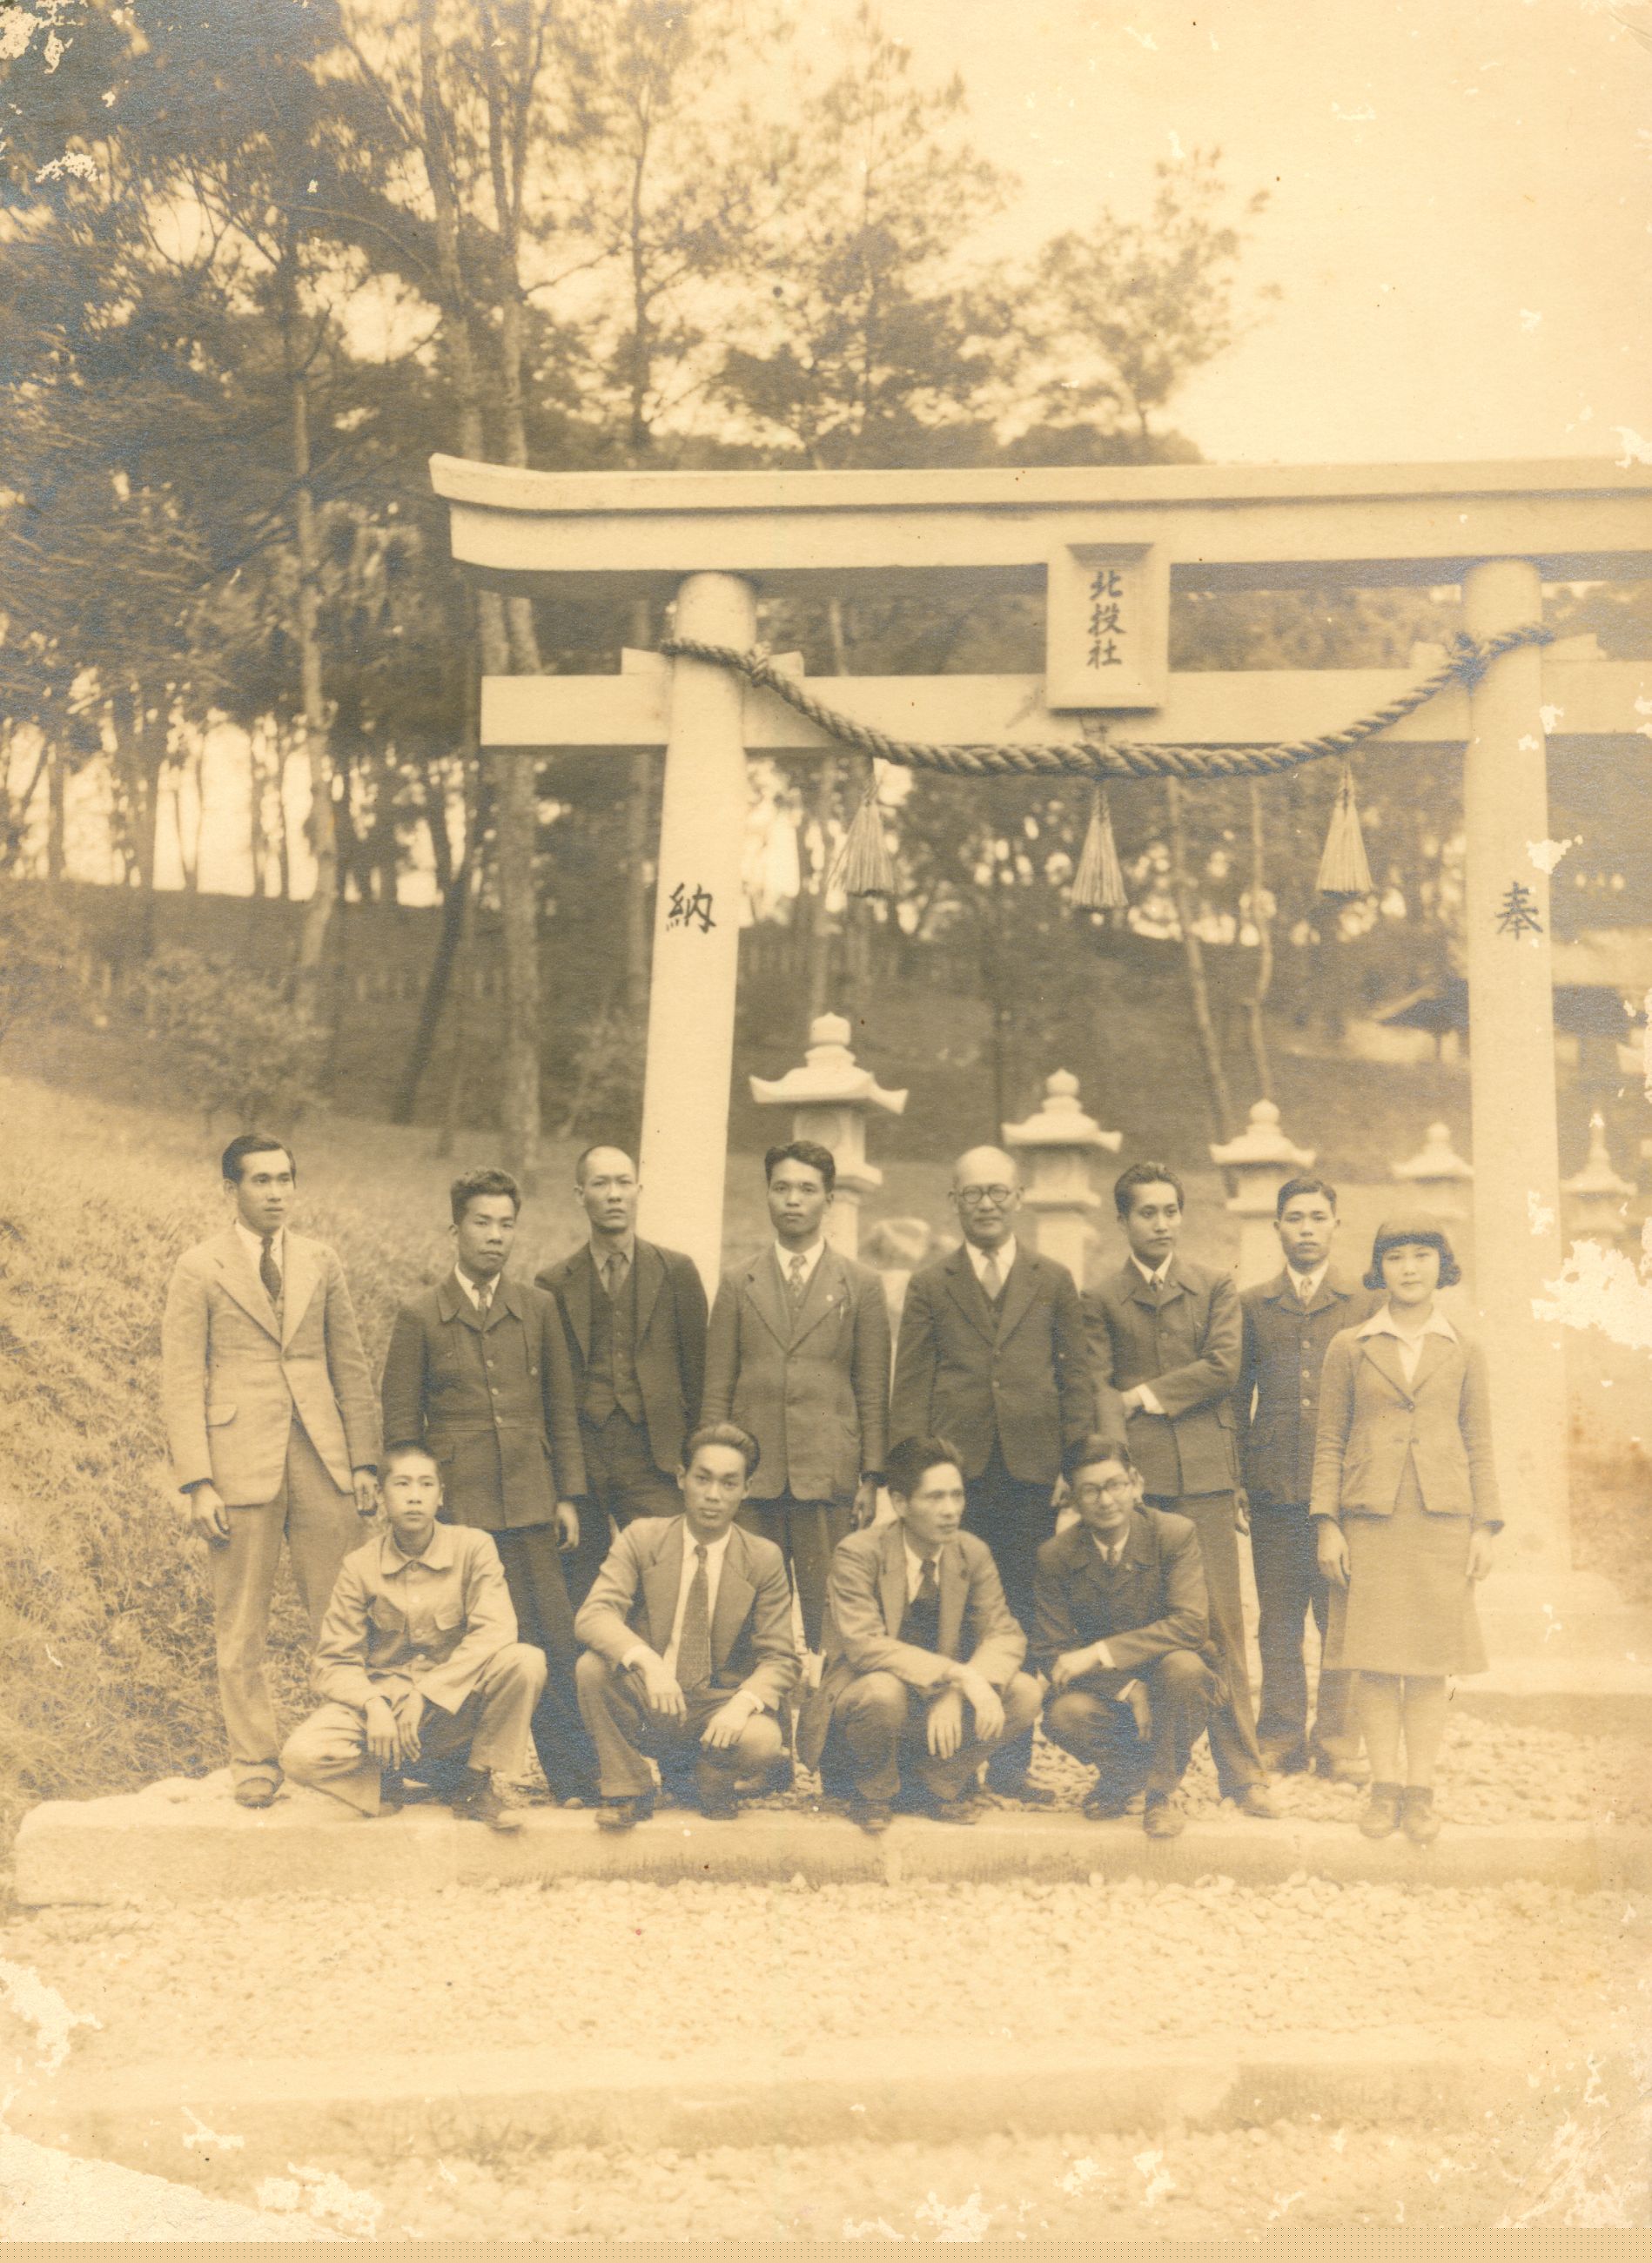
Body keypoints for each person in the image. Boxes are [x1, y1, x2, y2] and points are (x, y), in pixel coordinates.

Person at [161, 1133, 379, 1809]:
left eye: (285, 1179)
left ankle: (348, 1755)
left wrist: (365, 1460)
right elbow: (179, 1376)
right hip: (237, 1464)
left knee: (343, 1616)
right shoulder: (199, 1267)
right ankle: (254, 1760)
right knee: (241, 1623)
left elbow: (350, 1362)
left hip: (322, 1455)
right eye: (260, 1181)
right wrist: (198, 1480)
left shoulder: (321, 1260)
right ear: (231, 1189)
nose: (276, 1192)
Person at [379, 1168, 597, 1806]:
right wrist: (415, 1513)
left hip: (529, 1503)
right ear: (455, 1229)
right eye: (482, 1222)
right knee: (465, 1643)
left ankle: (578, 1778)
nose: (495, 1236)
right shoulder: (420, 1315)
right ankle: (462, 1773)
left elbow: (561, 1407)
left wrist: (565, 1495)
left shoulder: (538, 1308)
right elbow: (400, 1425)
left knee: (551, 1638)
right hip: (463, 1511)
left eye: (507, 1224)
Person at [890, 1145, 1094, 1803]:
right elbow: (912, 1383)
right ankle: (945, 1758)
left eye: (998, 1192)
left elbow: (1076, 1379)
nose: (986, 1203)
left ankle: (1009, 1763)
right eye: (972, 1192)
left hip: (1031, 1470)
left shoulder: (1053, 1278)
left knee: (1021, 1610)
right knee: (949, 1607)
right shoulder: (930, 1283)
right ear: (954, 1201)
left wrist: (1073, 1462)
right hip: (958, 1474)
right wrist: (917, 1474)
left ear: (1018, 1198)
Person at [1084, 1163, 1275, 1818]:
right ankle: (1145, 1773)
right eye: (1146, 1212)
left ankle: (1242, 1772)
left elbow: (1223, 1368)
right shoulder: (1103, 1298)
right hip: (1142, 1482)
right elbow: (1097, 1389)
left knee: (1221, 1626)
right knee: (1143, 1629)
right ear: (1123, 1221)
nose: (1161, 1223)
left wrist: (1146, 1395)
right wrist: (1116, 1471)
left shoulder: (1216, 1285)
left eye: (1171, 1211)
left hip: (1204, 1481)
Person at [1311, 1216, 1501, 1846]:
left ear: (1442, 1266)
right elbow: (1330, 1441)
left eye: (1423, 1256)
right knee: (1371, 1661)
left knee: (1426, 1665)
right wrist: (1329, 1524)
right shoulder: (1351, 1346)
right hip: (1370, 1519)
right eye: (1396, 1257)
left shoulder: (1464, 1348)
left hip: (1442, 1522)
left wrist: (1485, 1528)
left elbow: (1479, 1443)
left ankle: (1420, 1791)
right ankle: (1383, 1787)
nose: (1410, 1269)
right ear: (1379, 1268)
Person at [280, 1442, 544, 1830]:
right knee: (300, 1755)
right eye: (402, 1484)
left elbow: (496, 1630)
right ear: (382, 1496)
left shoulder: (474, 1548)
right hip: (385, 1712)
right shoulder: (359, 1567)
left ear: (441, 1496)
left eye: (426, 1484)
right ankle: (384, 1778)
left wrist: (428, 1692)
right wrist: (373, 1704)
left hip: (454, 1705)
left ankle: (473, 1783)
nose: (415, 1496)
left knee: (525, 1661)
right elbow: (334, 1661)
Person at [798, 1434, 1043, 1835]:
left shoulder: (971, 1551)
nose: (950, 1511)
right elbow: (866, 1646)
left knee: (1025, 1692)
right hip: (869, 1703)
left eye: (957, 1496)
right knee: (883, 1691)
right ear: (899, 1503)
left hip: (935, 1703)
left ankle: (937, 1783)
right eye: (934, 1498)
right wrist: (958, 1675)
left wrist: (958, 1689)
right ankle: (873, 1791)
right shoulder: (858, 1553)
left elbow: (1004, 1635)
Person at [701, 1142, 890, 1658]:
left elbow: (873, 1387)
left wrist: (871, 1477)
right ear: (767, 1195)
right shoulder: (739, 1282)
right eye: (781, 1187)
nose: (793, 1200)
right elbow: (718, 1384)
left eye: (807, 1189)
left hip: (827, 1477)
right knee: (743, 1615)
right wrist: (715, 1472)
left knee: (832, 1615)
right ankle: (750, 1724)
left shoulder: (861, 1285)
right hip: (752, 1479)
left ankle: (827, 1730)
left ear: (829, 1199)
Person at [574, 1423, 800, 1830]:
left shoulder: (763, 1558)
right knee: (592, 1668)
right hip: (654, 1698)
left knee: (762, 1738)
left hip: (718, 1706)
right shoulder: (642, 1537)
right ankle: (629, 1788)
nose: (713, 1495)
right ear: (681, 1478)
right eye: (703, 1479)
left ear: (747, 1489)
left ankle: (711, 1778)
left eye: (729, 1483)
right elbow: (594, 1615)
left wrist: (740, 1705)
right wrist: (648, 1662)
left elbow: (780, 1657)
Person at [1234, 1177, 1380, 1782]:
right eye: (1294, 1218)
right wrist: (1242, 1476)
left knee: (1340, 1616)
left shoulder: (1362, 1303)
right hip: (1274, 1487)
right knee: (1277, 1619)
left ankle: (1340, 1742)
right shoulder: (1253, 1304)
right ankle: (1280, 1736)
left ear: (1335, 1226)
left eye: (1318, 1218)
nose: (1306, 1229)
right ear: (1277, 1229)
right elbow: (1236, 1398)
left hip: (1344, 1491)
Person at [536, 1145, 708, 1608]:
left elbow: (699, 1377)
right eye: (600, 1184)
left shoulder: (677, 1272)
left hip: (655, 1457)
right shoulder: (552, 1284)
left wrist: (693, 1463)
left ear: (638, 1190)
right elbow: (550, 1392)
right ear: (580, 1194)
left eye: (623, 1182)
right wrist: (564, 1482)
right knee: (583, 1583)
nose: (614, 1195)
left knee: (663, 1574)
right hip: (584, 1457)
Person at [1033, 1439, 1221, 1837]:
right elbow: (1051, 1652)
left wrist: (1102, 1653)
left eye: (1115, 1484)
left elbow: (1190, 1624)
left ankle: (1160, 1794)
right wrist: (1127, 1687)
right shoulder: (1056, 1555)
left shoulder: (1173, 1533)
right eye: (1091, 1490)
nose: (1106, 1500)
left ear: (1136, 1484)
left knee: (1186, 1668)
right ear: (1073, 1499)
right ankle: (1124, 1776)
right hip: (1108, 1693)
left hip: (1169, 1685)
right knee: (1065, 1714)